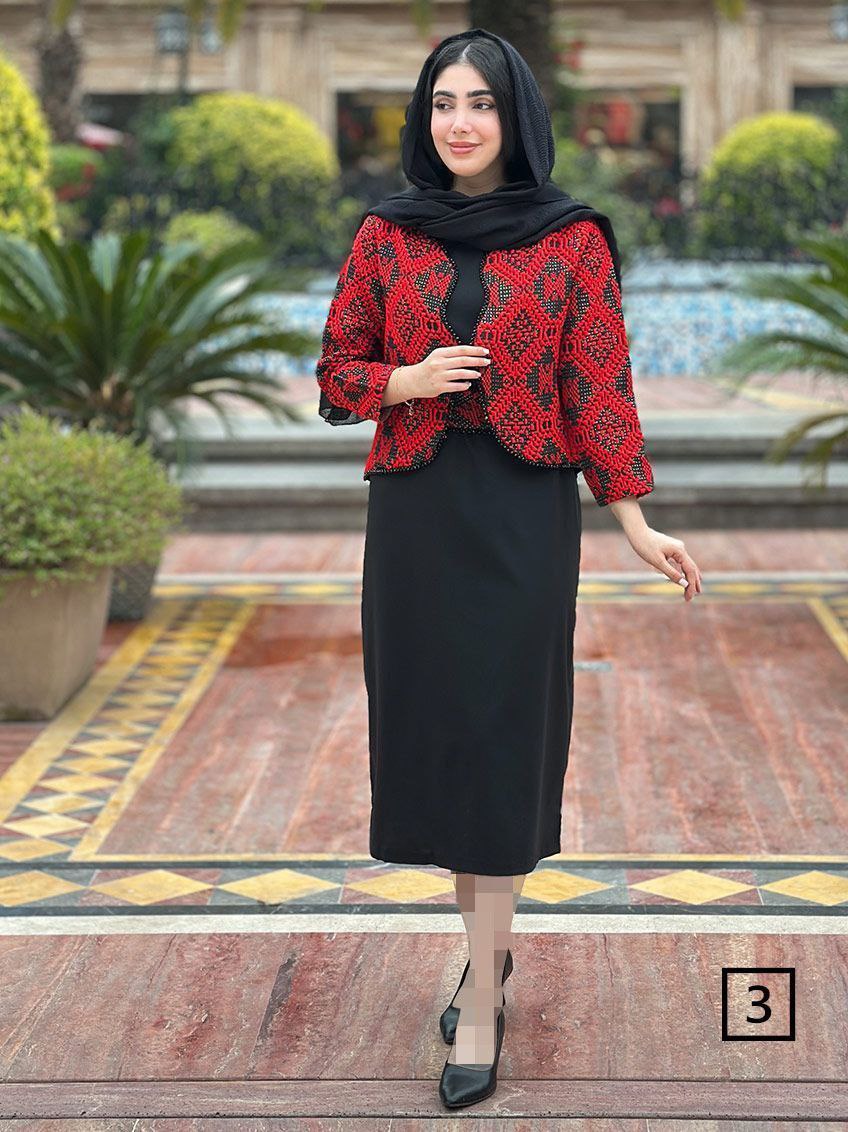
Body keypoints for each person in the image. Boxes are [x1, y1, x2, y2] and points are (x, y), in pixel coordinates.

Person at [316, 26, 703, 1111]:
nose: (460, 122)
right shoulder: (386, 233)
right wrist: (405, 380)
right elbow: (336, 372)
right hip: (415, 515)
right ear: (422, 117)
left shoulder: (573, 239)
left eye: (481, 103)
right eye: (443, 102)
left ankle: (482, 997)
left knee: (502, 744)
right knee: (444, 746)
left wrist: (634, 520)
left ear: (516, 116)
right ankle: (485, 958)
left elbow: (600, 385)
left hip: (524, 517)